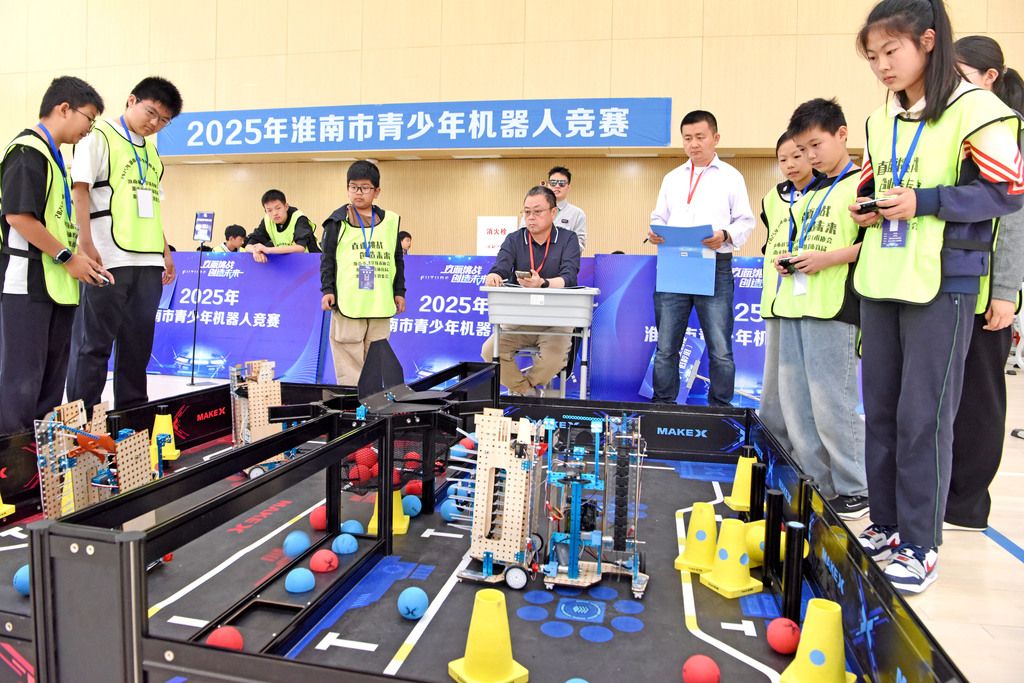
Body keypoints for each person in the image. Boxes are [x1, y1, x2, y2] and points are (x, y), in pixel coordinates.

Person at [851, 0, 1023, 593]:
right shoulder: (881, 118)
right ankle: (887, 523)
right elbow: (876, 179)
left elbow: (1008, 191)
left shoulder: (978, 109)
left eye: (890, 51)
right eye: (872, 56)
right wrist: (866, 207)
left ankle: (920, 545)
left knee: (924, 416)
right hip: (883, 275)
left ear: (928, 41)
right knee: (881, 410)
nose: (882, 66)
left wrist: (924, 203)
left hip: (944, 281)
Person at [0, 77, 111, 435]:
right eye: (88, 118)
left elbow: (55, 222)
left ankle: (38, 460)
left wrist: (79, 257)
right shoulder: (27, 152)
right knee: (21, 383)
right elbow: (19, 217)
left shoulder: (55, 157)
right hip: (27, 285)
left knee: (49, 385)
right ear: (64, 108)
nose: (89, 129)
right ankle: (13, 463)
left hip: (57, 285)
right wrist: (68, 258)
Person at [945, 35, 1024, 532]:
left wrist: (1004, 291)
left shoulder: (1004, 130)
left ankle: (968, 503)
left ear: (989, 77)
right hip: (951, 281)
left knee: (980, 397)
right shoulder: (960, 123)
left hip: (987, 289)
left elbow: (1013, 220)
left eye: (960, 75)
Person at [66, 76, 182, 412]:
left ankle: (133, 416)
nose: (154, 124)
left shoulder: (153, 153)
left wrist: (165, 251)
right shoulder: (98, 136)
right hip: (108, 258)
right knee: (93, 345)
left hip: (148, 263)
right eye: (151, 113)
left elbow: (152, 205)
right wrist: (85, 242)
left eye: (164, 121)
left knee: (137, 346)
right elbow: (80, 189)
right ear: (131, 101)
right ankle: (83, 419)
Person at [776, 98, 867, 519]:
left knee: (833, 403)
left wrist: (827, 259)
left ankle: (855, 487)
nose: (810, 156)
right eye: (803, 149)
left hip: (836, 306)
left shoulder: (863, 183)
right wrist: (792, 260)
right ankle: (817, 482)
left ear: (842, 134)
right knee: (798, 404)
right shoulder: (810, 191)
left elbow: (873, 245)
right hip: (797, 303)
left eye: (815, 145)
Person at [648, 110, 755, 406]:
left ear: (715, 138)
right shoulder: (672, 178)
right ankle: (663, 405)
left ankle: (720, 410)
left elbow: (745, 221)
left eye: (700, 137)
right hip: (675, 264)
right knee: (666, 345)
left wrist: (725, 234)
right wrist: (655, 231)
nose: (693, 144)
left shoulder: (732, 177)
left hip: (714, 264)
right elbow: (659, 216)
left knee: (720, 347)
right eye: (687, 138)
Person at [481, 186, 581, 396]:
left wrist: (543, 283)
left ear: (553, 212)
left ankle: (525, 389)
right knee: (489, 351)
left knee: (554, 360)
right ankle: (527, 392)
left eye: (537, 211)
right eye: (527, 212)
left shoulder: (568, 239)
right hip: (520, 319)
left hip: (556, 321)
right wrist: (494, 275)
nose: (531, 217)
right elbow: (501, 266)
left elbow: (569, 277)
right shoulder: (514, 239)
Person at [758, 131, 819, 454]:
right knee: (774, 388)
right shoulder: (772, 198)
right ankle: (773, 456)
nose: (790, 164)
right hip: (777, 301)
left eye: (797, 156)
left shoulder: (829, 191)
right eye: (783, 159)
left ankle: (809, 462)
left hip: (816, 305)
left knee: (809, 391)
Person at [320, 161, 406, 386]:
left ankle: (374, 400)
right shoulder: (336, 222)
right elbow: (327, 259)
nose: (358, 192)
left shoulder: (390, 222)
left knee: (377, 355)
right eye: (353, 187)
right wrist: (327, 289)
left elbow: (397, 259)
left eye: (365, 187)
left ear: (377, 191)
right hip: (348, 301)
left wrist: (399, 292)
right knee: (348, 356)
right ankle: (353, 402)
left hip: (380, 302)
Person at [246, 189, 319, 262]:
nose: (275, 213)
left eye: (278, 208)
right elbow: (248, 245)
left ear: (286, 206)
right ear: (266, 211)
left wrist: (268, 250)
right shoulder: (267, 220)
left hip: (312, 262)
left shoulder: (299, 218)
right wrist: (255, 251)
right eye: (269, 210)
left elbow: (300, 248)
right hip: (289, 262)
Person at [538, 166, 587, 252]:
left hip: (564, 259)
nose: (557, 186)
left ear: (568, 187)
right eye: (553, 183)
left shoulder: (577, 214)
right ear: (548, 185)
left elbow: (580, 244)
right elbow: (523, 236)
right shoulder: (534, 210)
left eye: (562, 183)